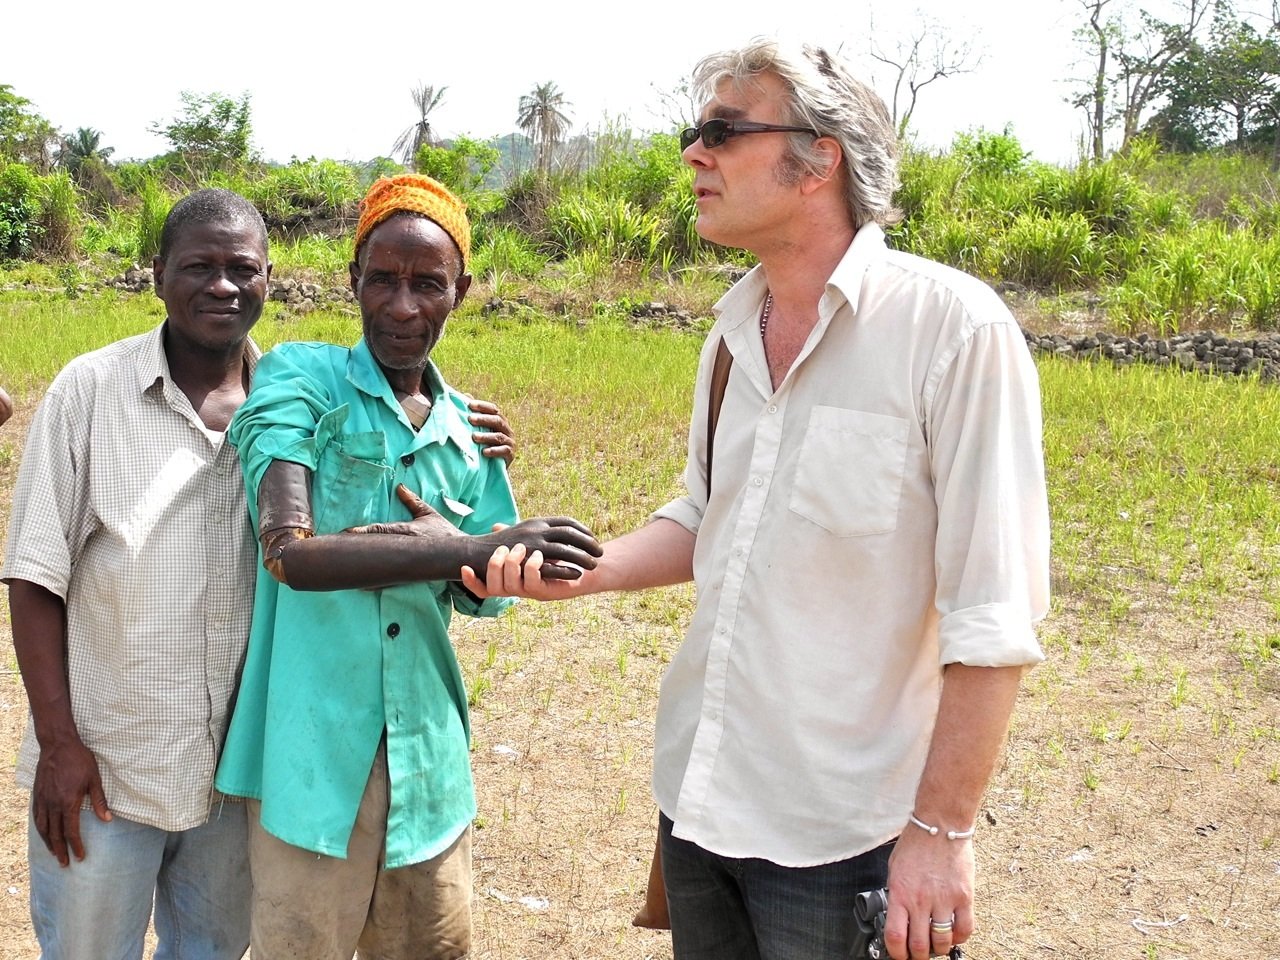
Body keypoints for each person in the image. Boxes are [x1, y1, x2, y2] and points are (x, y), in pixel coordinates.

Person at [464, 40, 1050, 960]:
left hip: (845, 835)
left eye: (724, 131)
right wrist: (578, 575)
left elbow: (993, 613)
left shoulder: (953, 332)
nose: (694, 154)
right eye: (697, 131)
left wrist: (939, 837)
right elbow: (705, 516)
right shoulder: (734, 333)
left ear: (820, 159)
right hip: (703, 802)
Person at [2, 187, 518, 960]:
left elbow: (425, 477)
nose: (222, 285)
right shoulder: (91, 392)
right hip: (112, 762)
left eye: (241, 267)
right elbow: (34, 576)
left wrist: (465, 427)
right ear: (156, 276)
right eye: (198, 266)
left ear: (270, 278)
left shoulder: (300, 398)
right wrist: (59, 743)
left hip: (244, 773)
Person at [212, 173, 602, 960]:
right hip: (313, 751)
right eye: (382, 279)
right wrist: (460, 548)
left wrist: (512, 561)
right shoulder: (298, 379)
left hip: (428, 761)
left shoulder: (466, 429)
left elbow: (486, 598)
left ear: (462, 291)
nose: (401, 306)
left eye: (428, 284)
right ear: (352, 279)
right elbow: (288, 553)